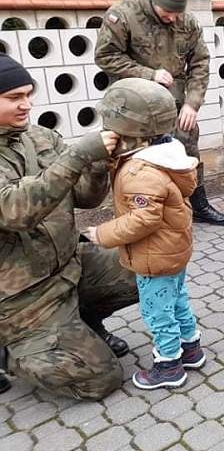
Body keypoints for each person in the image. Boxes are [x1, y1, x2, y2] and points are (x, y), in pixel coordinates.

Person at [0, 54, 138, 400]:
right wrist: (77, 156)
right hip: (23, 296)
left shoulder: (40, 136)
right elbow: (15, 212)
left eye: (29, 94)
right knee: (100, 379)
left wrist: (97, 166)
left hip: (67, 265)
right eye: (14, 97)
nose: (27, 105)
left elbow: (85, 199)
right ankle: (16, 349)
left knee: (145, 269)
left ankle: (83, 322)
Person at [87, 79, 205, 390]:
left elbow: (145, 218)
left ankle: (168, 366)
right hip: (172, 251)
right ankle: (190, 348)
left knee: (157, 312)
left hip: (154, 256)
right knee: (178, 300)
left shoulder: (140, 171)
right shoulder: (166, 155)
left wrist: (102, 234)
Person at [94, 0, 224, 226]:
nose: (173, 18)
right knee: (135, 159)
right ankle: (137, 216)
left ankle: (197, 203)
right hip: (134, 109)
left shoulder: (186, 22)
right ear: (153, 0)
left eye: (178, 13)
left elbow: (200, 62)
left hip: (176, 104)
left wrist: (193, 103)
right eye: (168, 12)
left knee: (188, 151)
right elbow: (105, 56)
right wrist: (148, 74)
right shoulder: (123, 15)